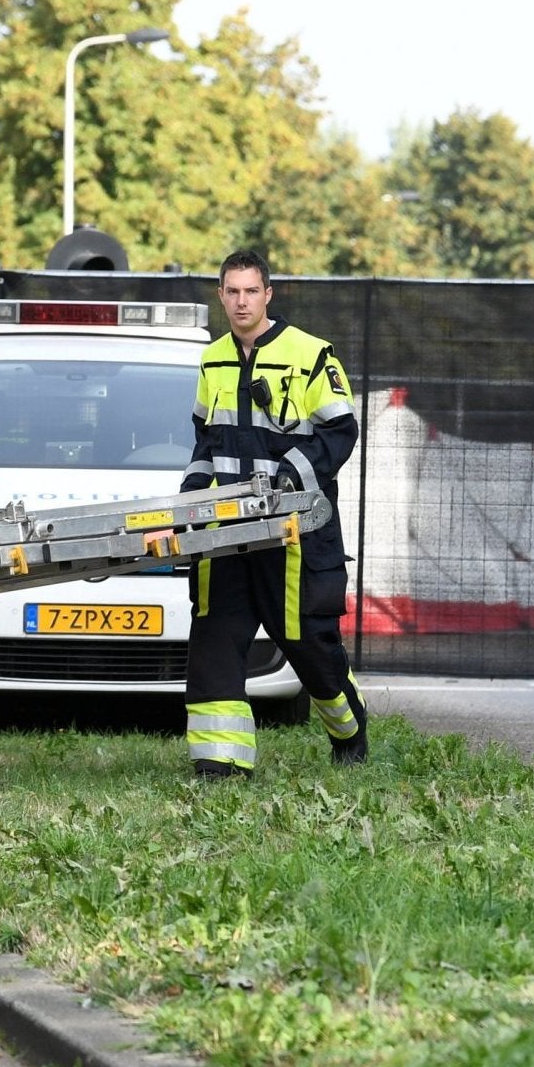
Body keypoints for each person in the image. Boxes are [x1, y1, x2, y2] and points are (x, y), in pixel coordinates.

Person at [179, 250, 366, 778]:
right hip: (226, 534)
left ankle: (350, 732)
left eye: (250, 291)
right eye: (232, 292)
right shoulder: (212, 358)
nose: (241, 301)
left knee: (309, 647)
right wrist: (192, 496)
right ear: (221, 296)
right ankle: (220, 766)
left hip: (294, 533)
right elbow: (205, 441)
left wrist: (289, 477)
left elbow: (340, 430)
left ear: (268, 295)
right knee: (214, 639)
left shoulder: (311, 354)